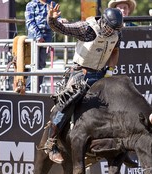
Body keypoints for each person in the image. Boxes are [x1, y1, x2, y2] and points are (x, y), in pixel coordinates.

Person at [43, 3, 123, 163]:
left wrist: (110, 70)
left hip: (100, 73)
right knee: (67, 104)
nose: (112, 32)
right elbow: (62, 28)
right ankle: (50, 142)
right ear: (104, 22)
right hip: (80, 73)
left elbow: (114, 50)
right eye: (110, 28)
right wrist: (52, 19)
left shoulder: (117, 33)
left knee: (116, 104)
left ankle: (103, 147)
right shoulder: (87, 29)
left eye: (115, 29)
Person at [25, 0, 67, 91]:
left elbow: (56, 18)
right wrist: (38, 36)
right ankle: (29, 88)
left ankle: (36, 88)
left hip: (47, 37)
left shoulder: (52, 4)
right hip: (34, 37)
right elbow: (30, 22)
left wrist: (61, 20)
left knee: (41, 64)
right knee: (32, 63)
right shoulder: (31, 5)